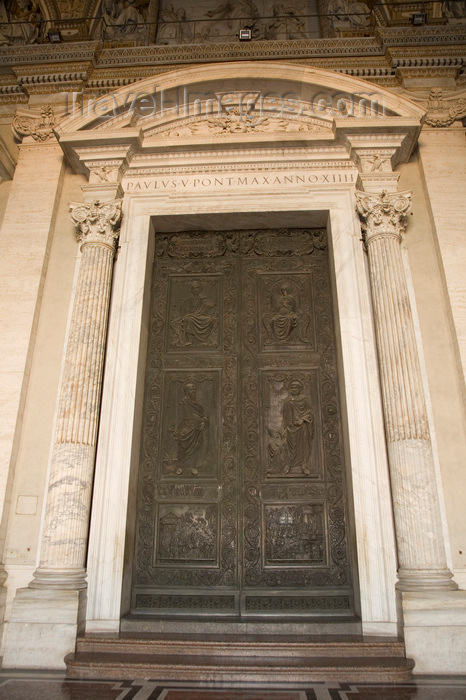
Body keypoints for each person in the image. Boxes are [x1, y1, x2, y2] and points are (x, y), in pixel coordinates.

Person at [282, 380, 314, 476]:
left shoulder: (304, 400)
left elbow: (310, 412)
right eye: (291, 387)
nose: (293, 389)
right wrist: (287, 424)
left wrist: (302, 419)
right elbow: (285, 414)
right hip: (290, 427)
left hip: (302, 427)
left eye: (295, 387)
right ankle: (288, 465)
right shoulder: (287, 400)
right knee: (289, 446)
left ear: (300, 389)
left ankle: (304, 465)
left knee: (303, 446)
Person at [173, 382, 209, 468]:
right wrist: (176, 429)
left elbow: (204, 415)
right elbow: (178, 417)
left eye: (194, 389)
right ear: (186, 392)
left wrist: (203, 422)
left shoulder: (198, 403)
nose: (194, 391)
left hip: (196, 429)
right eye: (191, 389)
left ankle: (193, 467)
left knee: (195, 448)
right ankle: (180, 466)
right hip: (185, 428)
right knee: (182, 447)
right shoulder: (182, 403)